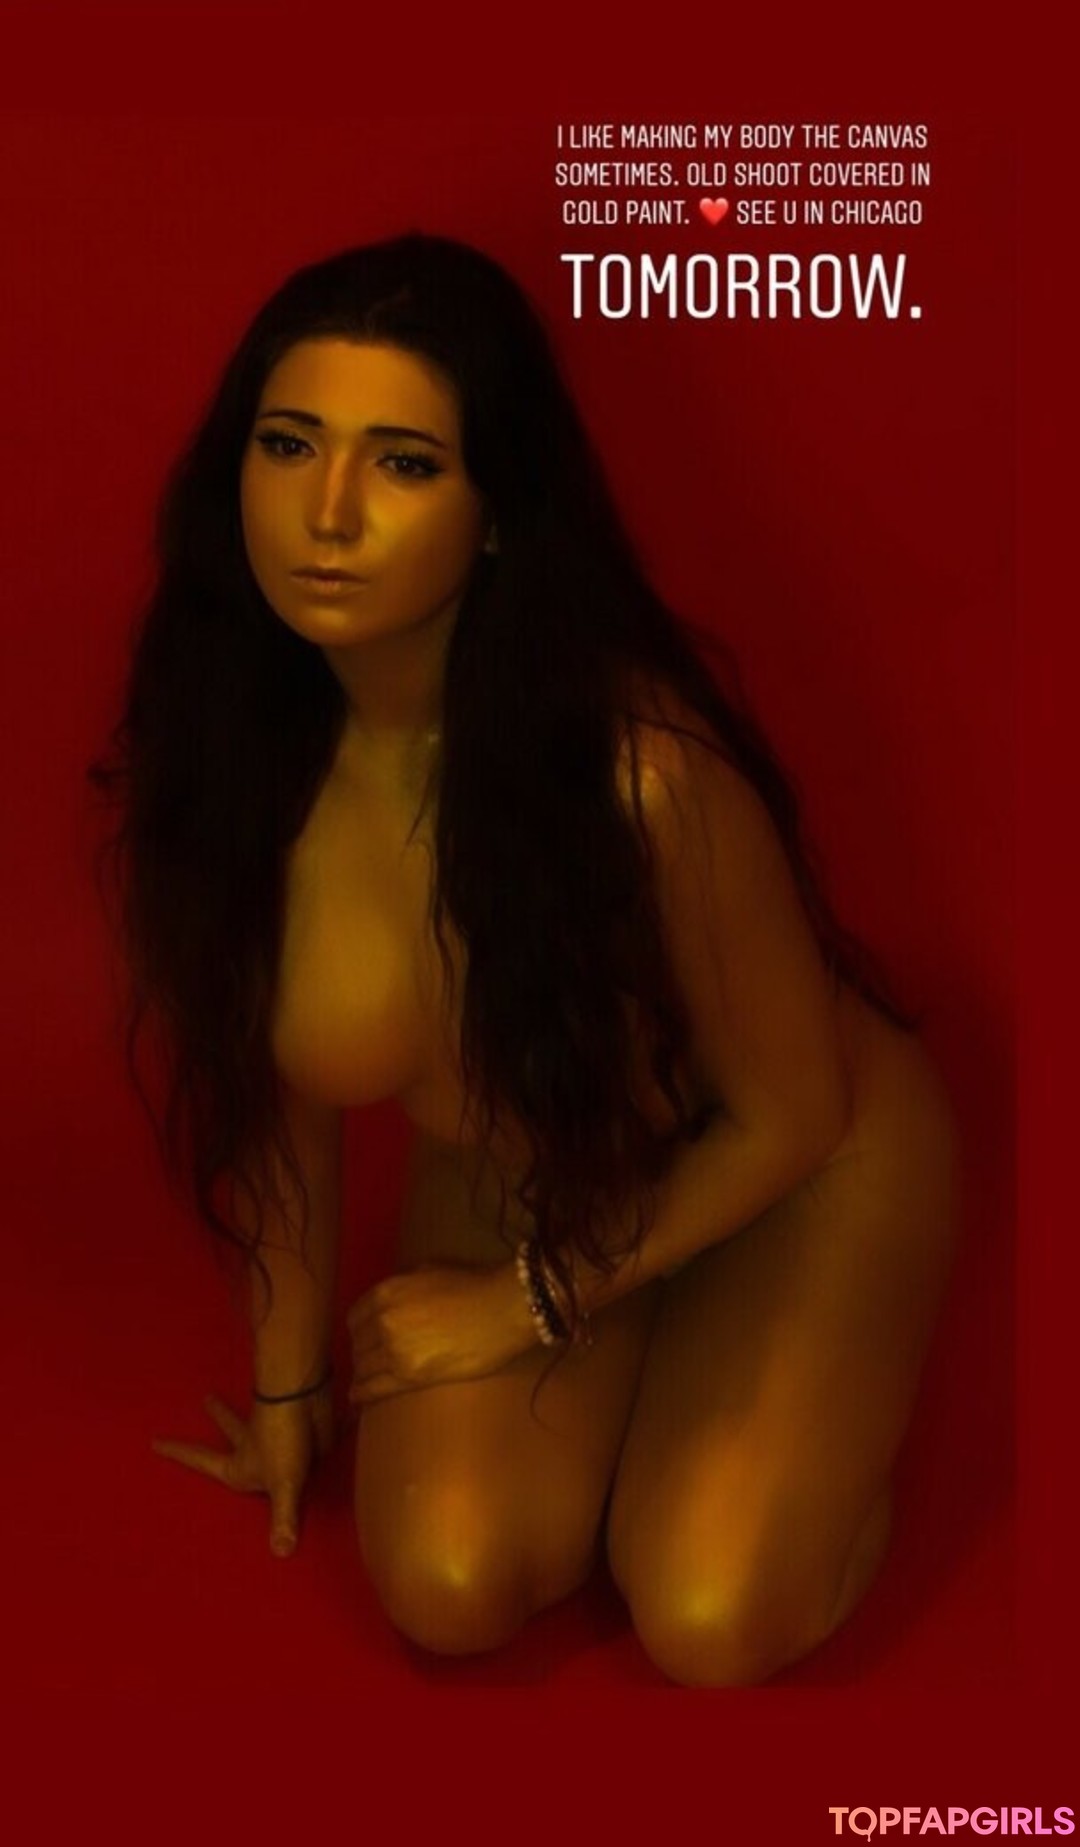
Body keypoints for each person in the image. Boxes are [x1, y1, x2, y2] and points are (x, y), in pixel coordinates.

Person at [89, 231, 959, 1688]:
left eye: (405, 464)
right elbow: (279, 1086)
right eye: (289, 444)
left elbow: (794, 1112)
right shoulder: (230, 759)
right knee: (447, 1584)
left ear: (497, 512)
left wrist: (527, 1303)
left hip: (796, 1150)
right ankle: (657, 1363)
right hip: (550, 1145)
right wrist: (291, 1389)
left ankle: (775, 1392)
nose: (329, 513)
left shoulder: (640, 778)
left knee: (708, 1616)